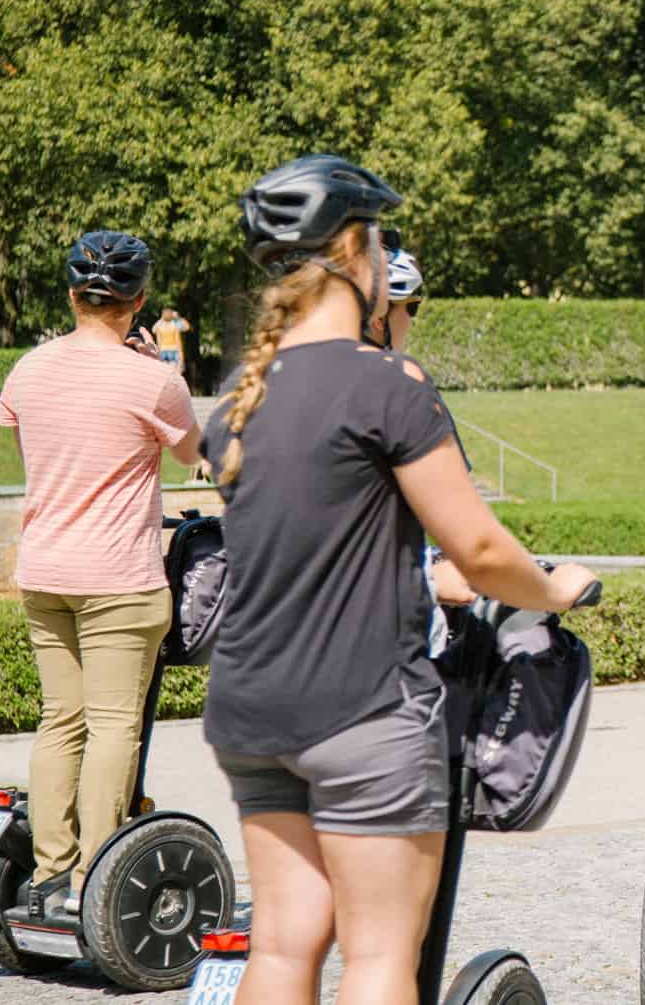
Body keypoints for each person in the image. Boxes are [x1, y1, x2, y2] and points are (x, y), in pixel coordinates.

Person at [200, 155, 596, 1004]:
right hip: (364, 712)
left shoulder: (238, 394)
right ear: (351, 247)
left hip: (251, 709)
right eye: (379, 240)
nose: (384, 260)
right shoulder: (390, 384)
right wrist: (556, 589)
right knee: (381, 957)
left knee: (281, 945)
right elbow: (480, 549)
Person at [0, 230, 203, 921]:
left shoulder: (27, 370)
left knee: (62, 720)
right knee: (116, 727)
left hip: (45, 570)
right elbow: (191, 455)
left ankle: (50, 873)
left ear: (71, 295)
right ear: (139, 301)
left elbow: (35, 439)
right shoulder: (155, 380)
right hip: (119, 577)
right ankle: (94, 879)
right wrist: (155, 367)